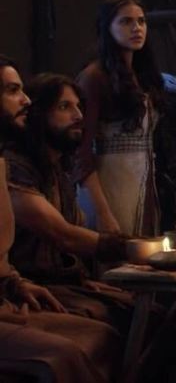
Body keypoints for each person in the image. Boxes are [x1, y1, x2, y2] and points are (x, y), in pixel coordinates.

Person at [3, 73, 132, 331]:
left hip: (61, 284)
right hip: (33, 287)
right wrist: (139, 249)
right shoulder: (15, 166)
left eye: (78, 106)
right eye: (64, 107)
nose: (78, 116)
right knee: (122, 321)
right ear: (37, 114)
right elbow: (62, 235)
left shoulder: (58, 167)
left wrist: (81, 279)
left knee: (146, 309)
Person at [0, 143, 120, 382]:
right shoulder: (16, 167)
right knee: (62, 355)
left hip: (7, 299)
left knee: (107, 334)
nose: (25, 102)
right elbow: (62, 234)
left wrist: (13, 282)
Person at [76, 0, 166, 236]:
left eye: (141, 21)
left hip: (141, 183)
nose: (137, 28)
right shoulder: (94, 78)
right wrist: (102, 212)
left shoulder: (143, 75)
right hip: (107, 186)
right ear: (107, 27)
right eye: (126, 21)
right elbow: (80, 152)